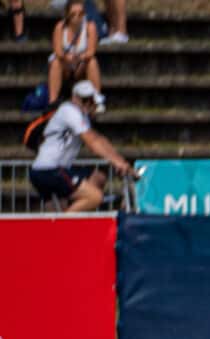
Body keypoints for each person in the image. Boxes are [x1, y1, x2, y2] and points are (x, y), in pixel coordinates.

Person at [29, 79, 133, 212]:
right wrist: (117, 163)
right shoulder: (69, 111)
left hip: (50, 170)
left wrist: (121, 161)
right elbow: (92, 143)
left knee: (98, 178)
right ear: (75, 98)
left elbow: (99, 139)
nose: (88, 105)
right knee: (95, 197)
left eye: (90, 101)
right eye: (85, 100)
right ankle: (61, 229)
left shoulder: (81, 115)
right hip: (49, 170)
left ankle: (70, 223)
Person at [47, 0, 101, 105]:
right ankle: (52, 101)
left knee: (92, 62)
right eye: (73, 14)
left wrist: (79, 57)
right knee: (56, 62)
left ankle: (97, 99)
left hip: (81, 66)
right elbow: (58, 51)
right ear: (67, 15)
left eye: (81, 14)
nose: (77, 17)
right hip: (66, 66)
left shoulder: (90, 26)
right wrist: (67, 57)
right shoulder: (60, 27)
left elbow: (91, 51)